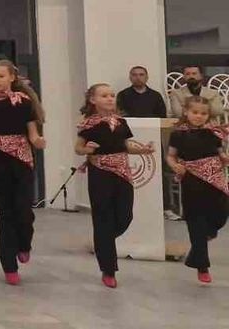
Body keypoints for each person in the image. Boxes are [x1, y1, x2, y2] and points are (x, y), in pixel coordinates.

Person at [75, 83, 156, 288]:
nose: (110, 98)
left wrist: (143, 150)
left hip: (122, 172)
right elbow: (78, 148)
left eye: (112, 95)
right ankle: (108, 269)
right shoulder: (88, 124)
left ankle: (103, 241)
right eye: (104, 95)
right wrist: (88, 149)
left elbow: (125, 146)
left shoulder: (121, 122)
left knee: (125, 216)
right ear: (93, 100)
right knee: (103, 217)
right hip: (100, 173)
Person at [0, 60, 46, 285]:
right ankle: (8, 264)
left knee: (23, 209)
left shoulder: (23, 102)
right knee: (6, 211)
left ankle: (24, 244)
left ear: (12, 77)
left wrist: (38, 141)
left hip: (22, 158)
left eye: (1, 76)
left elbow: (32, 132)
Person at [165, 97, 229, 284]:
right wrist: (174, 165)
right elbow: (171, 156)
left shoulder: (213, 133)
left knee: (222, 213)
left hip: (215, 180)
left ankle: (207, 234)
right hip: (192, 181)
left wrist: (224, 157)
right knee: (196, 221)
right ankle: (202, 267)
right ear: (186, 112)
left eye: (203, 113)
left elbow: (221, 153)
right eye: (195, 112)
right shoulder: (178, 134)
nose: (199, 116)